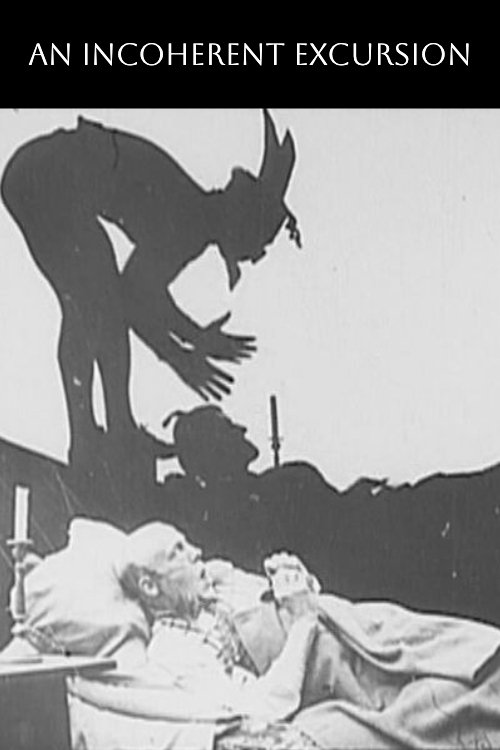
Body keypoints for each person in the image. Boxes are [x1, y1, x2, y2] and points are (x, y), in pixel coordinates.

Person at [0, 110, 300, 466]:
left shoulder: (193, 220)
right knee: (97, 300)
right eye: (259, 243)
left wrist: (192, 339)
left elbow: (141, 295)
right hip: (47, 179)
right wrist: (182, 353)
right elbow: (135, 299)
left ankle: (111, 431)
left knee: (96, 300)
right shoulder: (189, 224)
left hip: (41, 175)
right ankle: (103, 436)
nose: (255, 255)